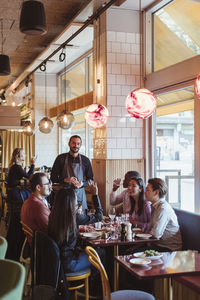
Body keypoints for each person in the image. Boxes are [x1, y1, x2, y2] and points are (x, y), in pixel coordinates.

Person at [48, 181, 103, 274]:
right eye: (76, 201)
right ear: (72, 203)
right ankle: (96, 286)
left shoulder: (53, 215)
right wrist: (95, 195)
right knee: (100, 253)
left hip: (58, 261)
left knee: (86, 249)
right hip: (69, 264)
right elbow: (99, 217)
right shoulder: (73, 217)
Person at [6, 148, 36, 260]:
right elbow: (30, 177)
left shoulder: (15, 167)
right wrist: (33, 164)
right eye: (23, 154)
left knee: (28, 193)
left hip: (12, 192)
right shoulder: (16, 167)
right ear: (18, 155)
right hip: (14, 194)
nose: (25, 155)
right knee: (30, 195)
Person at [51, 135, 93, 212]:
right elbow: (53, 178)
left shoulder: (85, 160)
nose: (76, 146)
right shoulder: (60, 158)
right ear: (69, 144)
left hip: (79, 195)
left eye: (78, 144)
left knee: (80, 219)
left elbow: (91, 180)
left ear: (80, 145)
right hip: (64, 195)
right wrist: (65, 180)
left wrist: (82, 184)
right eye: (73, 143)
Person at [145, 178, 182, 251]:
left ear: (156, 192)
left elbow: (156, 234)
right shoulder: (154, 206)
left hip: (169, 249)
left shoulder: (163, 208)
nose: (145, 192)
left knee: (130, 254)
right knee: (129, 251)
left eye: (147, 190)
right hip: (158, 245)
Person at [21, 172, 52, 245]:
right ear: (38, 187)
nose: (50, 186)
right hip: (44, 246)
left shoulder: (28, 201)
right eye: (47, 184)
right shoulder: (38, 206)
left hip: (35, 243)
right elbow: (52, 230)